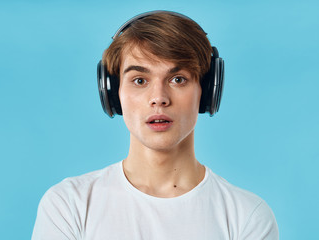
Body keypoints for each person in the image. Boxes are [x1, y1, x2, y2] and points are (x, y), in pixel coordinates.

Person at [32, 11, 279, 240]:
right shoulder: (68, 205)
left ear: (206, 94)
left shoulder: (248, 216)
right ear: (112, 94)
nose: (159, 97)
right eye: (140, 80)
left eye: (178, 79)